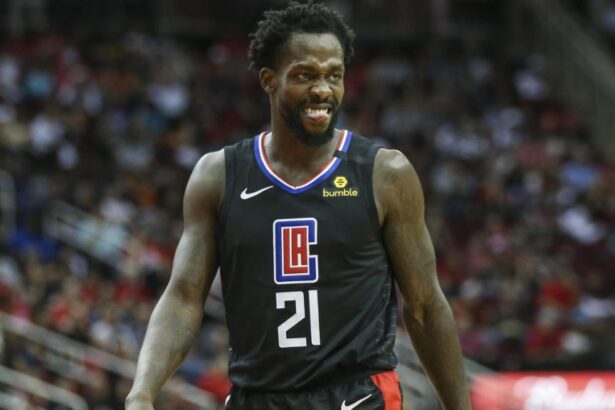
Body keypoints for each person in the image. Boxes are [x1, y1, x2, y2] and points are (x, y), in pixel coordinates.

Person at [125, 1, 471, 409]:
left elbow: (425, 306)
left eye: (334, 75)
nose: (323, 89)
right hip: (258, 397)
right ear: (269, 80)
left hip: (357, 396)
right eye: (306, 75)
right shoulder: (217, 176)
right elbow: (183, 298)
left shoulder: (385, 174)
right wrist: (142, 392)